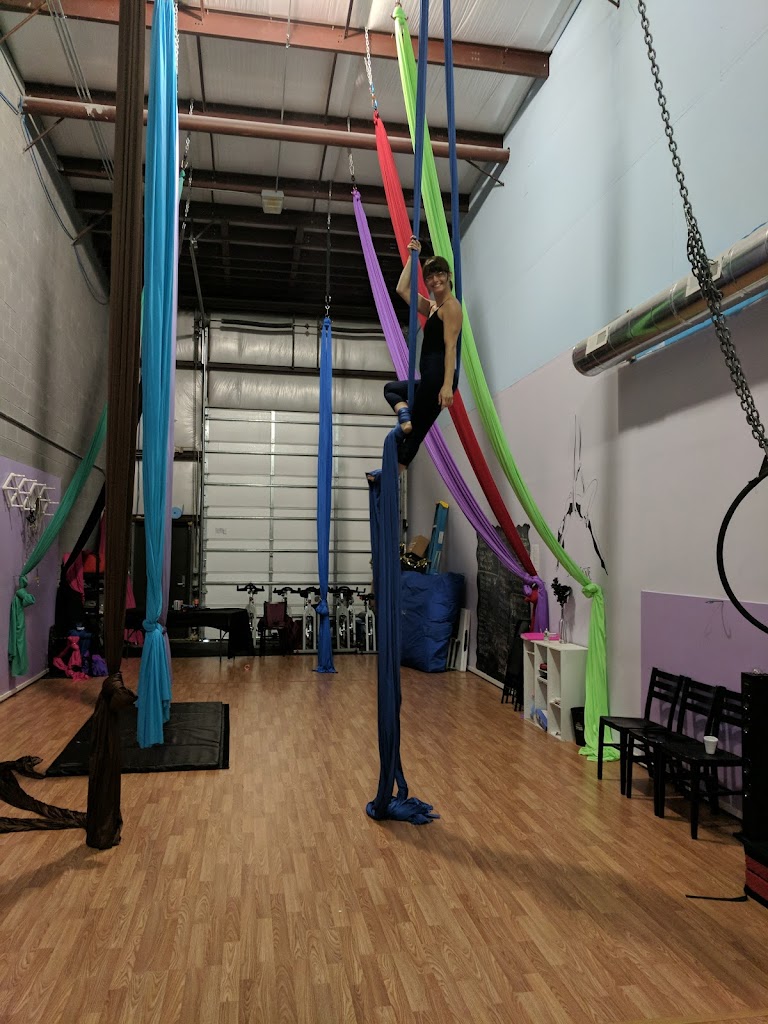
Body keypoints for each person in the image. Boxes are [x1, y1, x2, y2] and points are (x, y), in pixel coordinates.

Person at [383, 237, 463, 470]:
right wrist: (412, 257)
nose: (435, 279)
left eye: (439, 274)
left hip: (439, 376)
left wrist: (446, 386)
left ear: (448, 276)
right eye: (430, 277)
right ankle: (404, 417)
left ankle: (394, 474)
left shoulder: (451, 307)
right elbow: (402, 289)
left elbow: (450, 347)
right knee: (391, 390)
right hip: (430, 377)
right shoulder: (432, 307)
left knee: (416, 432)